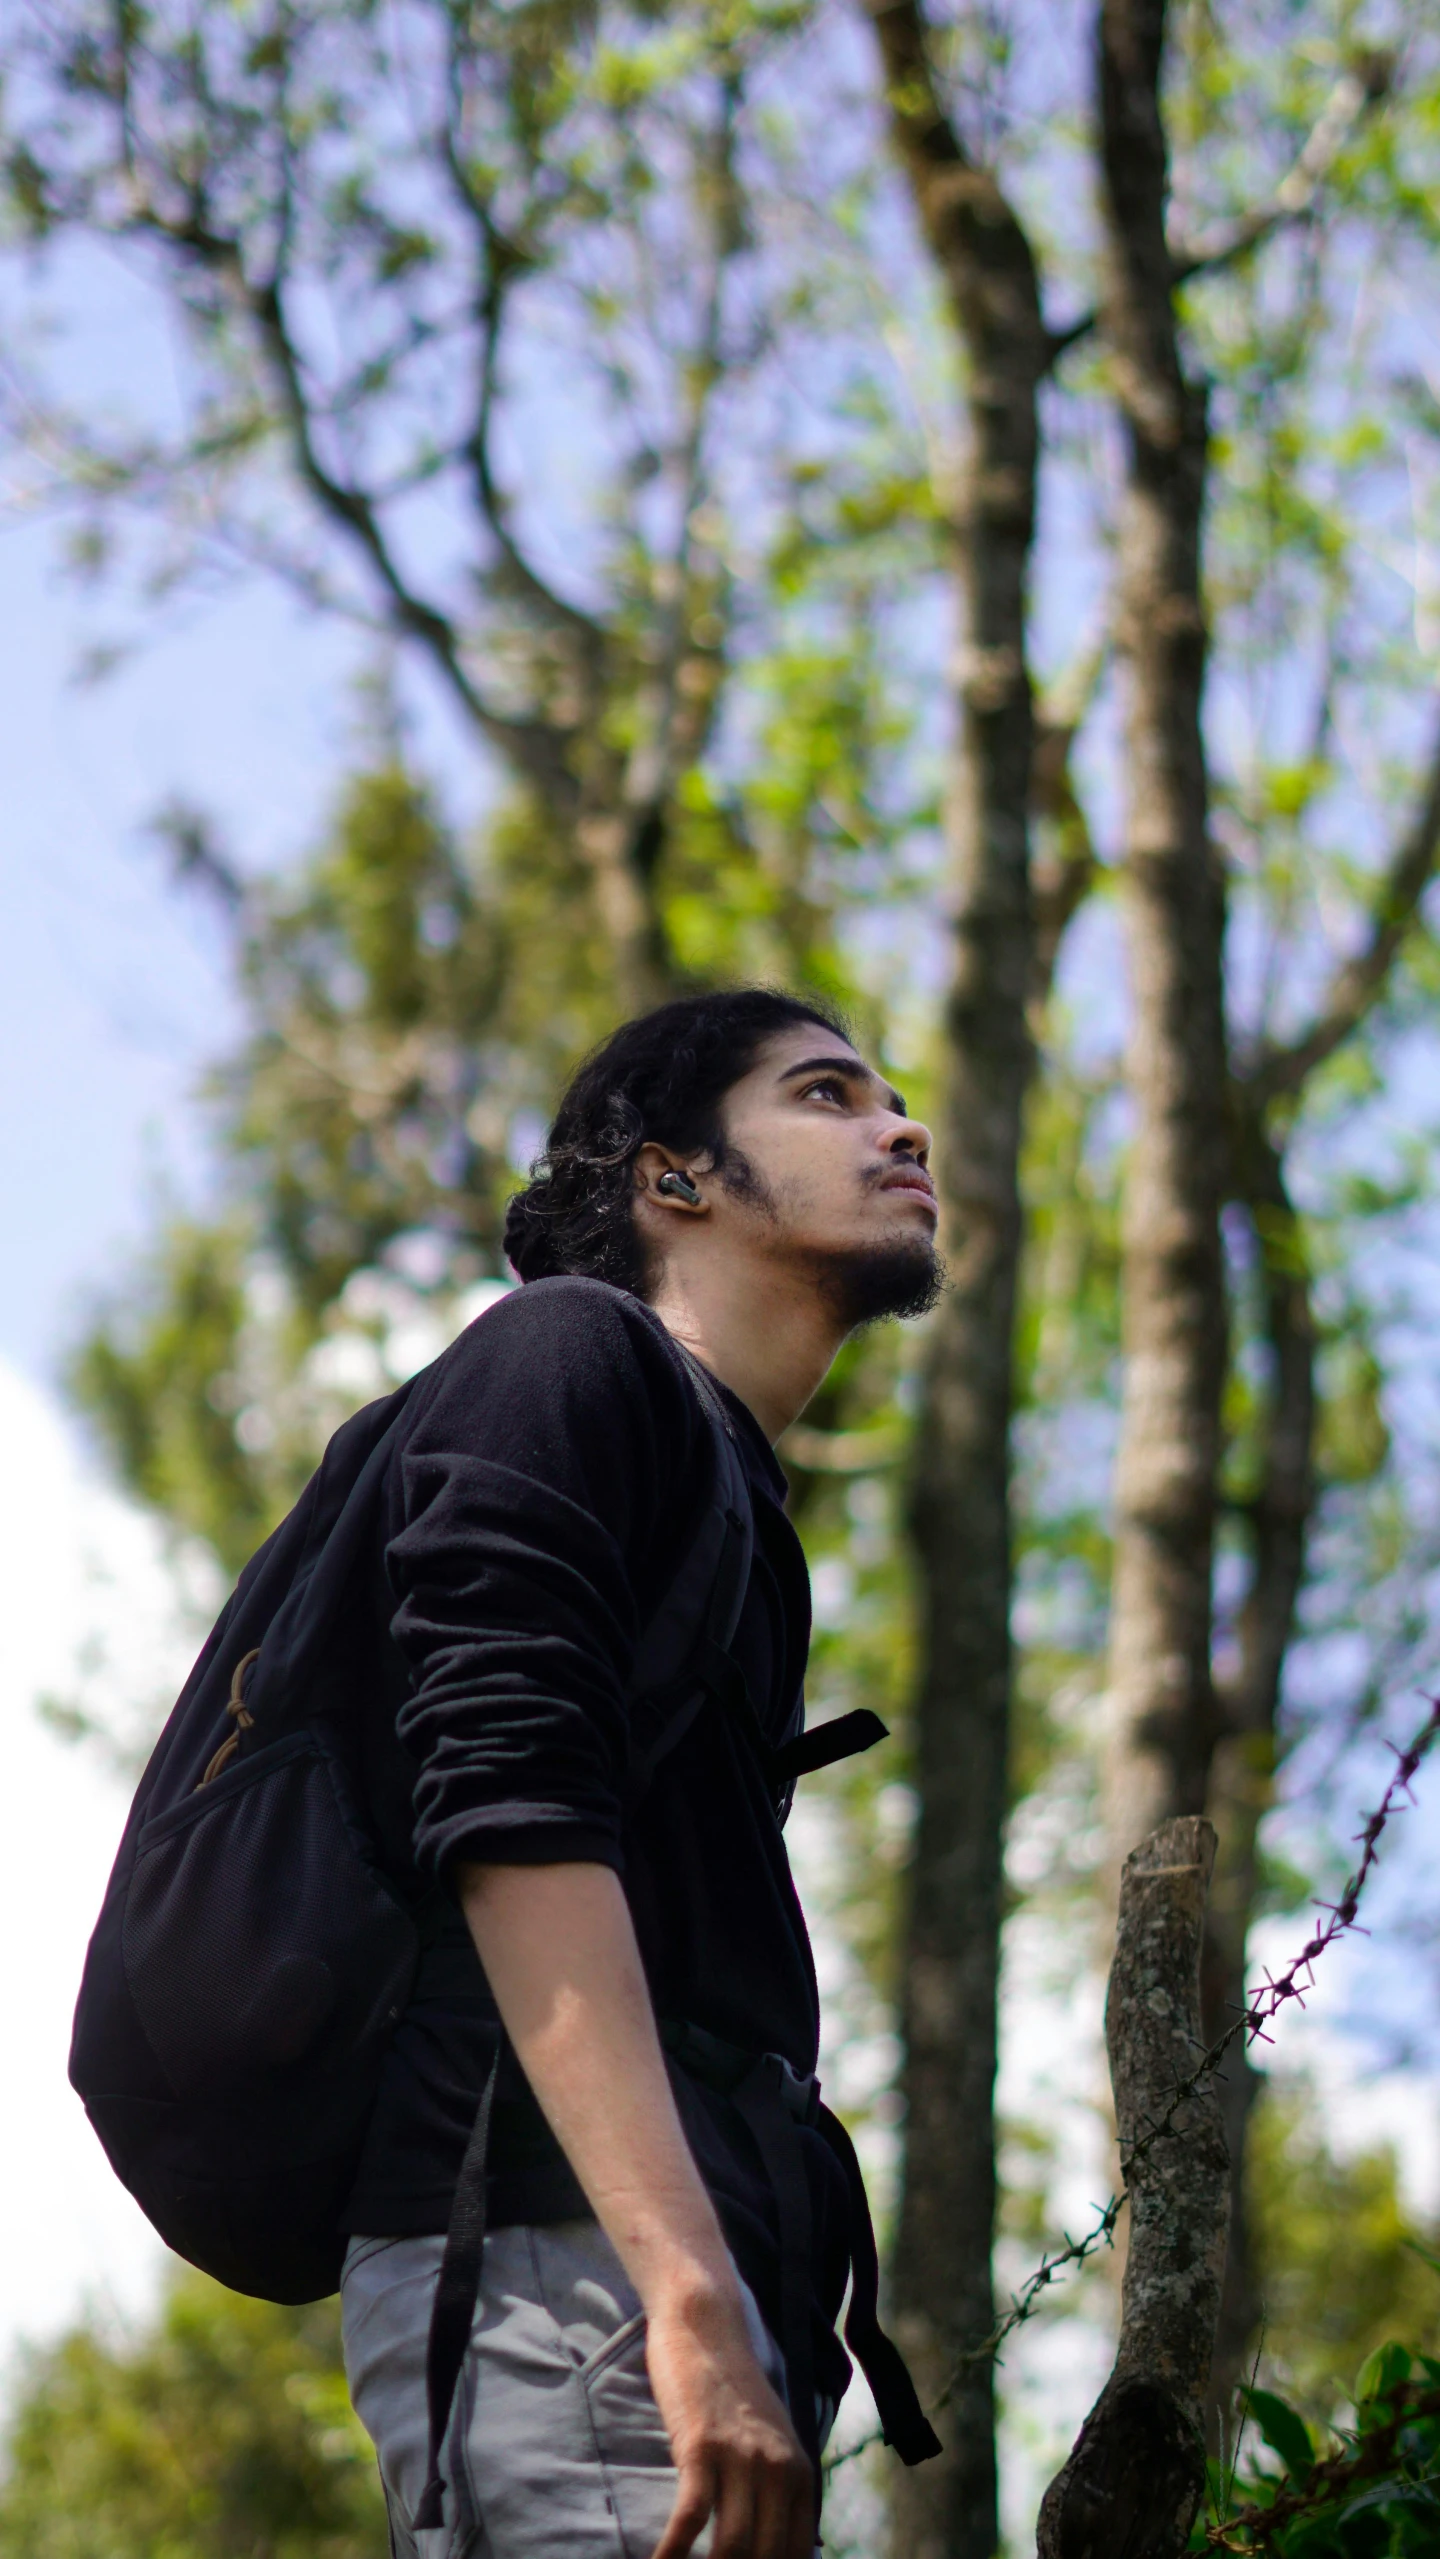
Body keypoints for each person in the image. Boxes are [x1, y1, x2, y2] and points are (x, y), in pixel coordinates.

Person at [338, 988, 943, 2559]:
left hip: (639, 2293)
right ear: (674, 1178)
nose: (902, 1125)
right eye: (825, 1094)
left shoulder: (730, 1488)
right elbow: (506, 1801)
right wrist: (686, 2297)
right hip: (575, 2282)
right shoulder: (570, 1353)